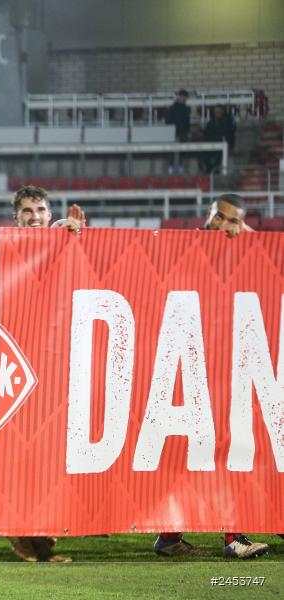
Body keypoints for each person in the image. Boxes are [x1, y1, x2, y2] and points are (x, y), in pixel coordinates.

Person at [152, 193, 269, 560]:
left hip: (219, 368)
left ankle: (174, 537)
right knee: (199, 452)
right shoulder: (184, 248)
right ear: (209, 215)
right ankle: (221, 537)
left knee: (216, 451)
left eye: (234, 221)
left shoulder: (241, 254)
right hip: (184, 368)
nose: (225, 226)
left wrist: (250, 236)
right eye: (221, 217)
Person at [8, 185, 80, 563]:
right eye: (27, 211)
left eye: (40, 210)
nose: (34, 216)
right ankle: (20, 534)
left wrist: (77, 240)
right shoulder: (9, 249)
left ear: (50, 214)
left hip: (55, 365)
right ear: (15, 218)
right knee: (21, 455)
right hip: (16, 367)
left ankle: (40, 533)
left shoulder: (64, 244)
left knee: (49, 455)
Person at [201, 105, 236, 174]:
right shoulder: (212, 120)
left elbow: (230, 132)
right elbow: (207, 130)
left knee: (219, 153)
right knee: (203, 151)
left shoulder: (228, 120)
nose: (217, 113)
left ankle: (215, 168)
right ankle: (209, 167)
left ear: (222, 111)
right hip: (212, 141)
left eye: (218, 111)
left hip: (224, 141)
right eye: (215, 112)